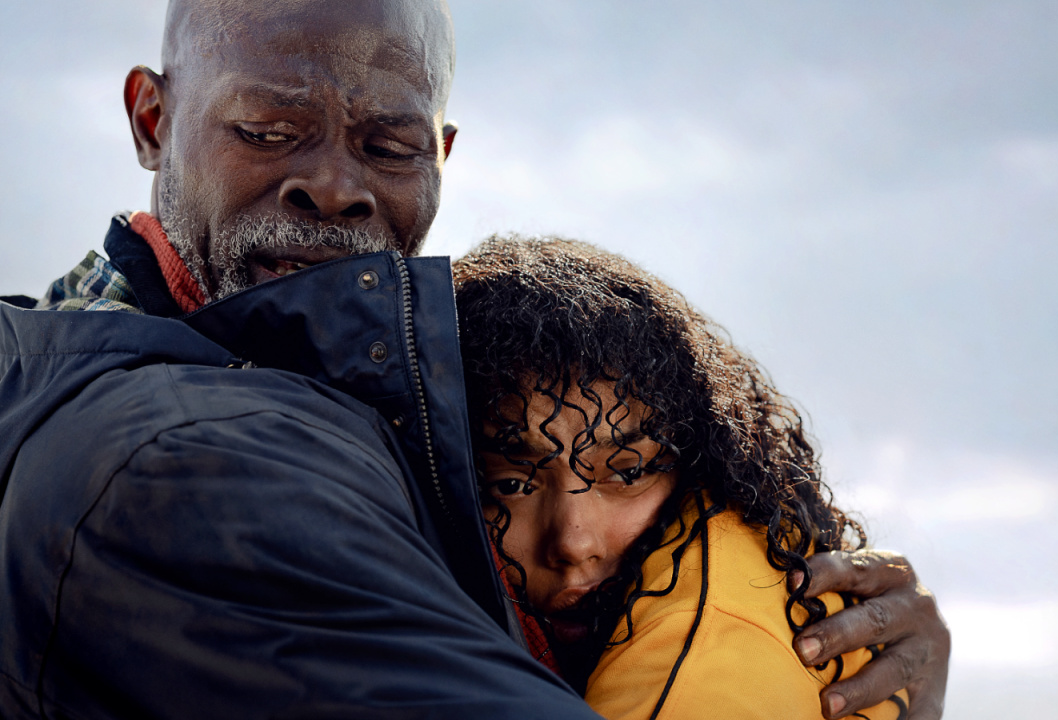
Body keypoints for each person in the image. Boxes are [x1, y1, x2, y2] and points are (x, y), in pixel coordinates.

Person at [0, 1, 948, 718]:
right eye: (267, 130)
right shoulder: (184, 453)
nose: (333, 186)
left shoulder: (345, 407)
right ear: (151, 120)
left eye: (391, 145)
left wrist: (837, 658)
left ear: (443, 154)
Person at [454, 236, 911, 719]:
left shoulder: (733, 616)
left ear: (701, 463)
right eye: (511, 485)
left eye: (627, 472)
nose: (573, 541)